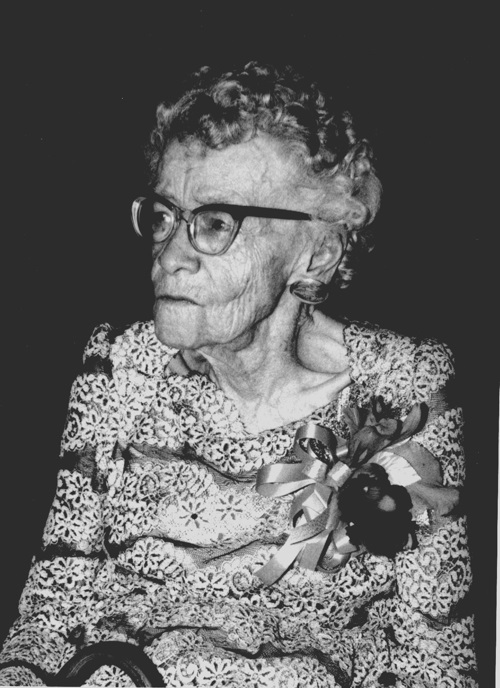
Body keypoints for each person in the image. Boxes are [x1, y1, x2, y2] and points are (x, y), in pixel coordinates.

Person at [0, 61, 477, 687]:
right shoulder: (120, 367)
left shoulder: (403, 393)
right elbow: (47, 615)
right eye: (164, 216)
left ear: (316, 254)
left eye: (216, 223)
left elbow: (437, 663)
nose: (171, 256)